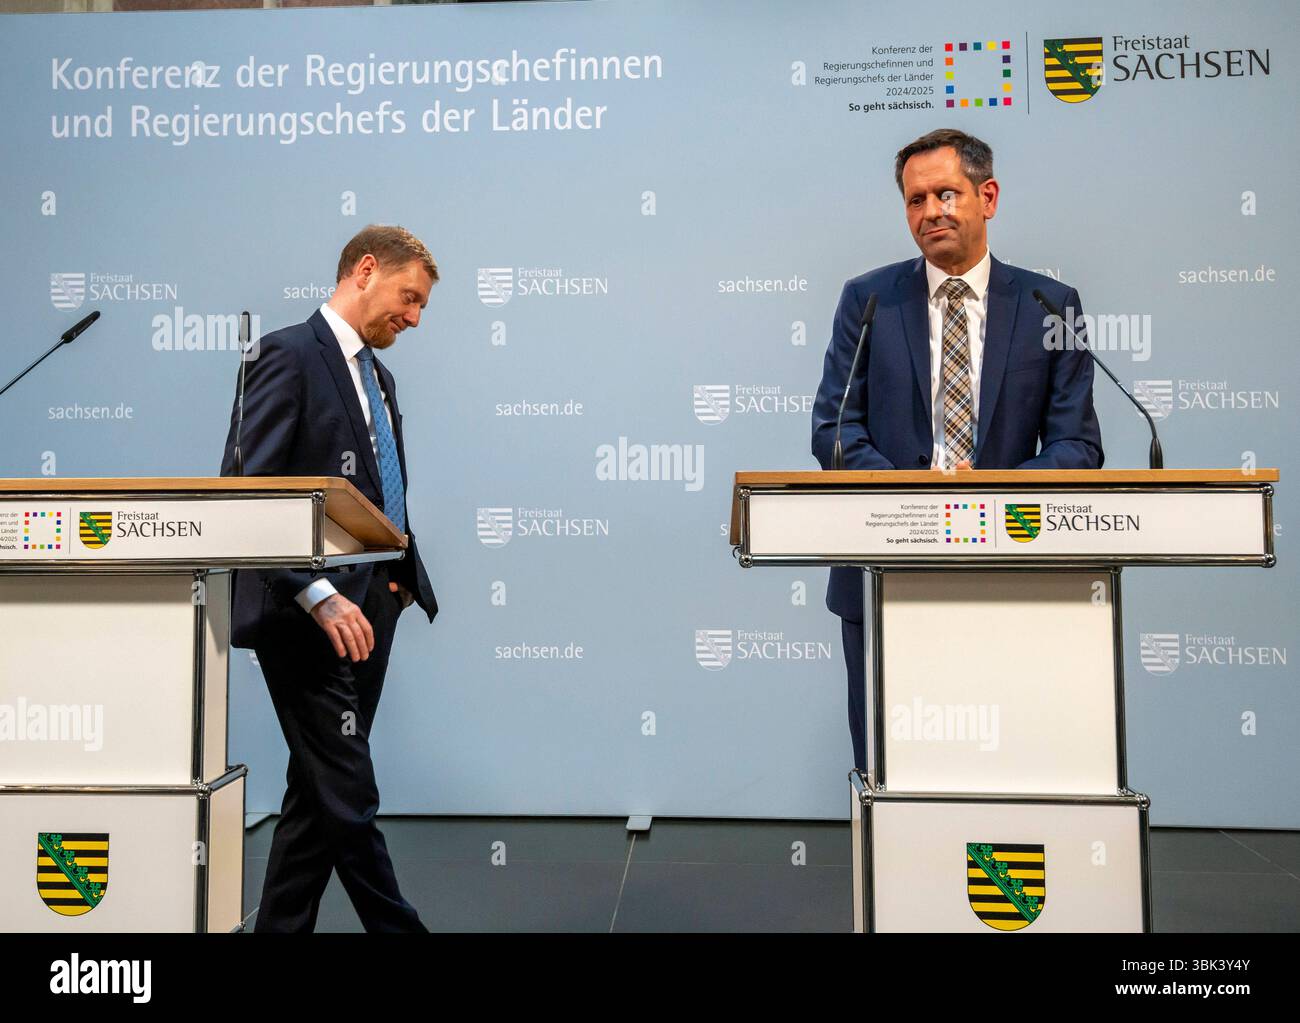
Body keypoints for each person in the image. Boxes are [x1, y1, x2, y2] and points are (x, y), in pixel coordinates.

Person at [810, 129, 1103, 772]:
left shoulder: (1051, 304)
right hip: (882, 571)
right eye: (916, 200)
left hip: (1007, 574)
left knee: (1001, 761)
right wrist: (903, 494)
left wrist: (991, 487)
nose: (931, 212)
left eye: (947, 193)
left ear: (987, 196)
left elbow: (1078, 446)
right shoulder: (867, 301)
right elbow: (833, 430)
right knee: (888, 766)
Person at [220, 224, 439, 932]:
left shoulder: (381, 377)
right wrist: (316, 593)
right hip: (306, 612)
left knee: (318, 797)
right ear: (365, 270)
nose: (412, 317)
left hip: (376, 601)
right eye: (409, 298)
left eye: (421, 308)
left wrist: (397, 585)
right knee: (348, 793)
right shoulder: (285, 354)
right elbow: (247, 491)